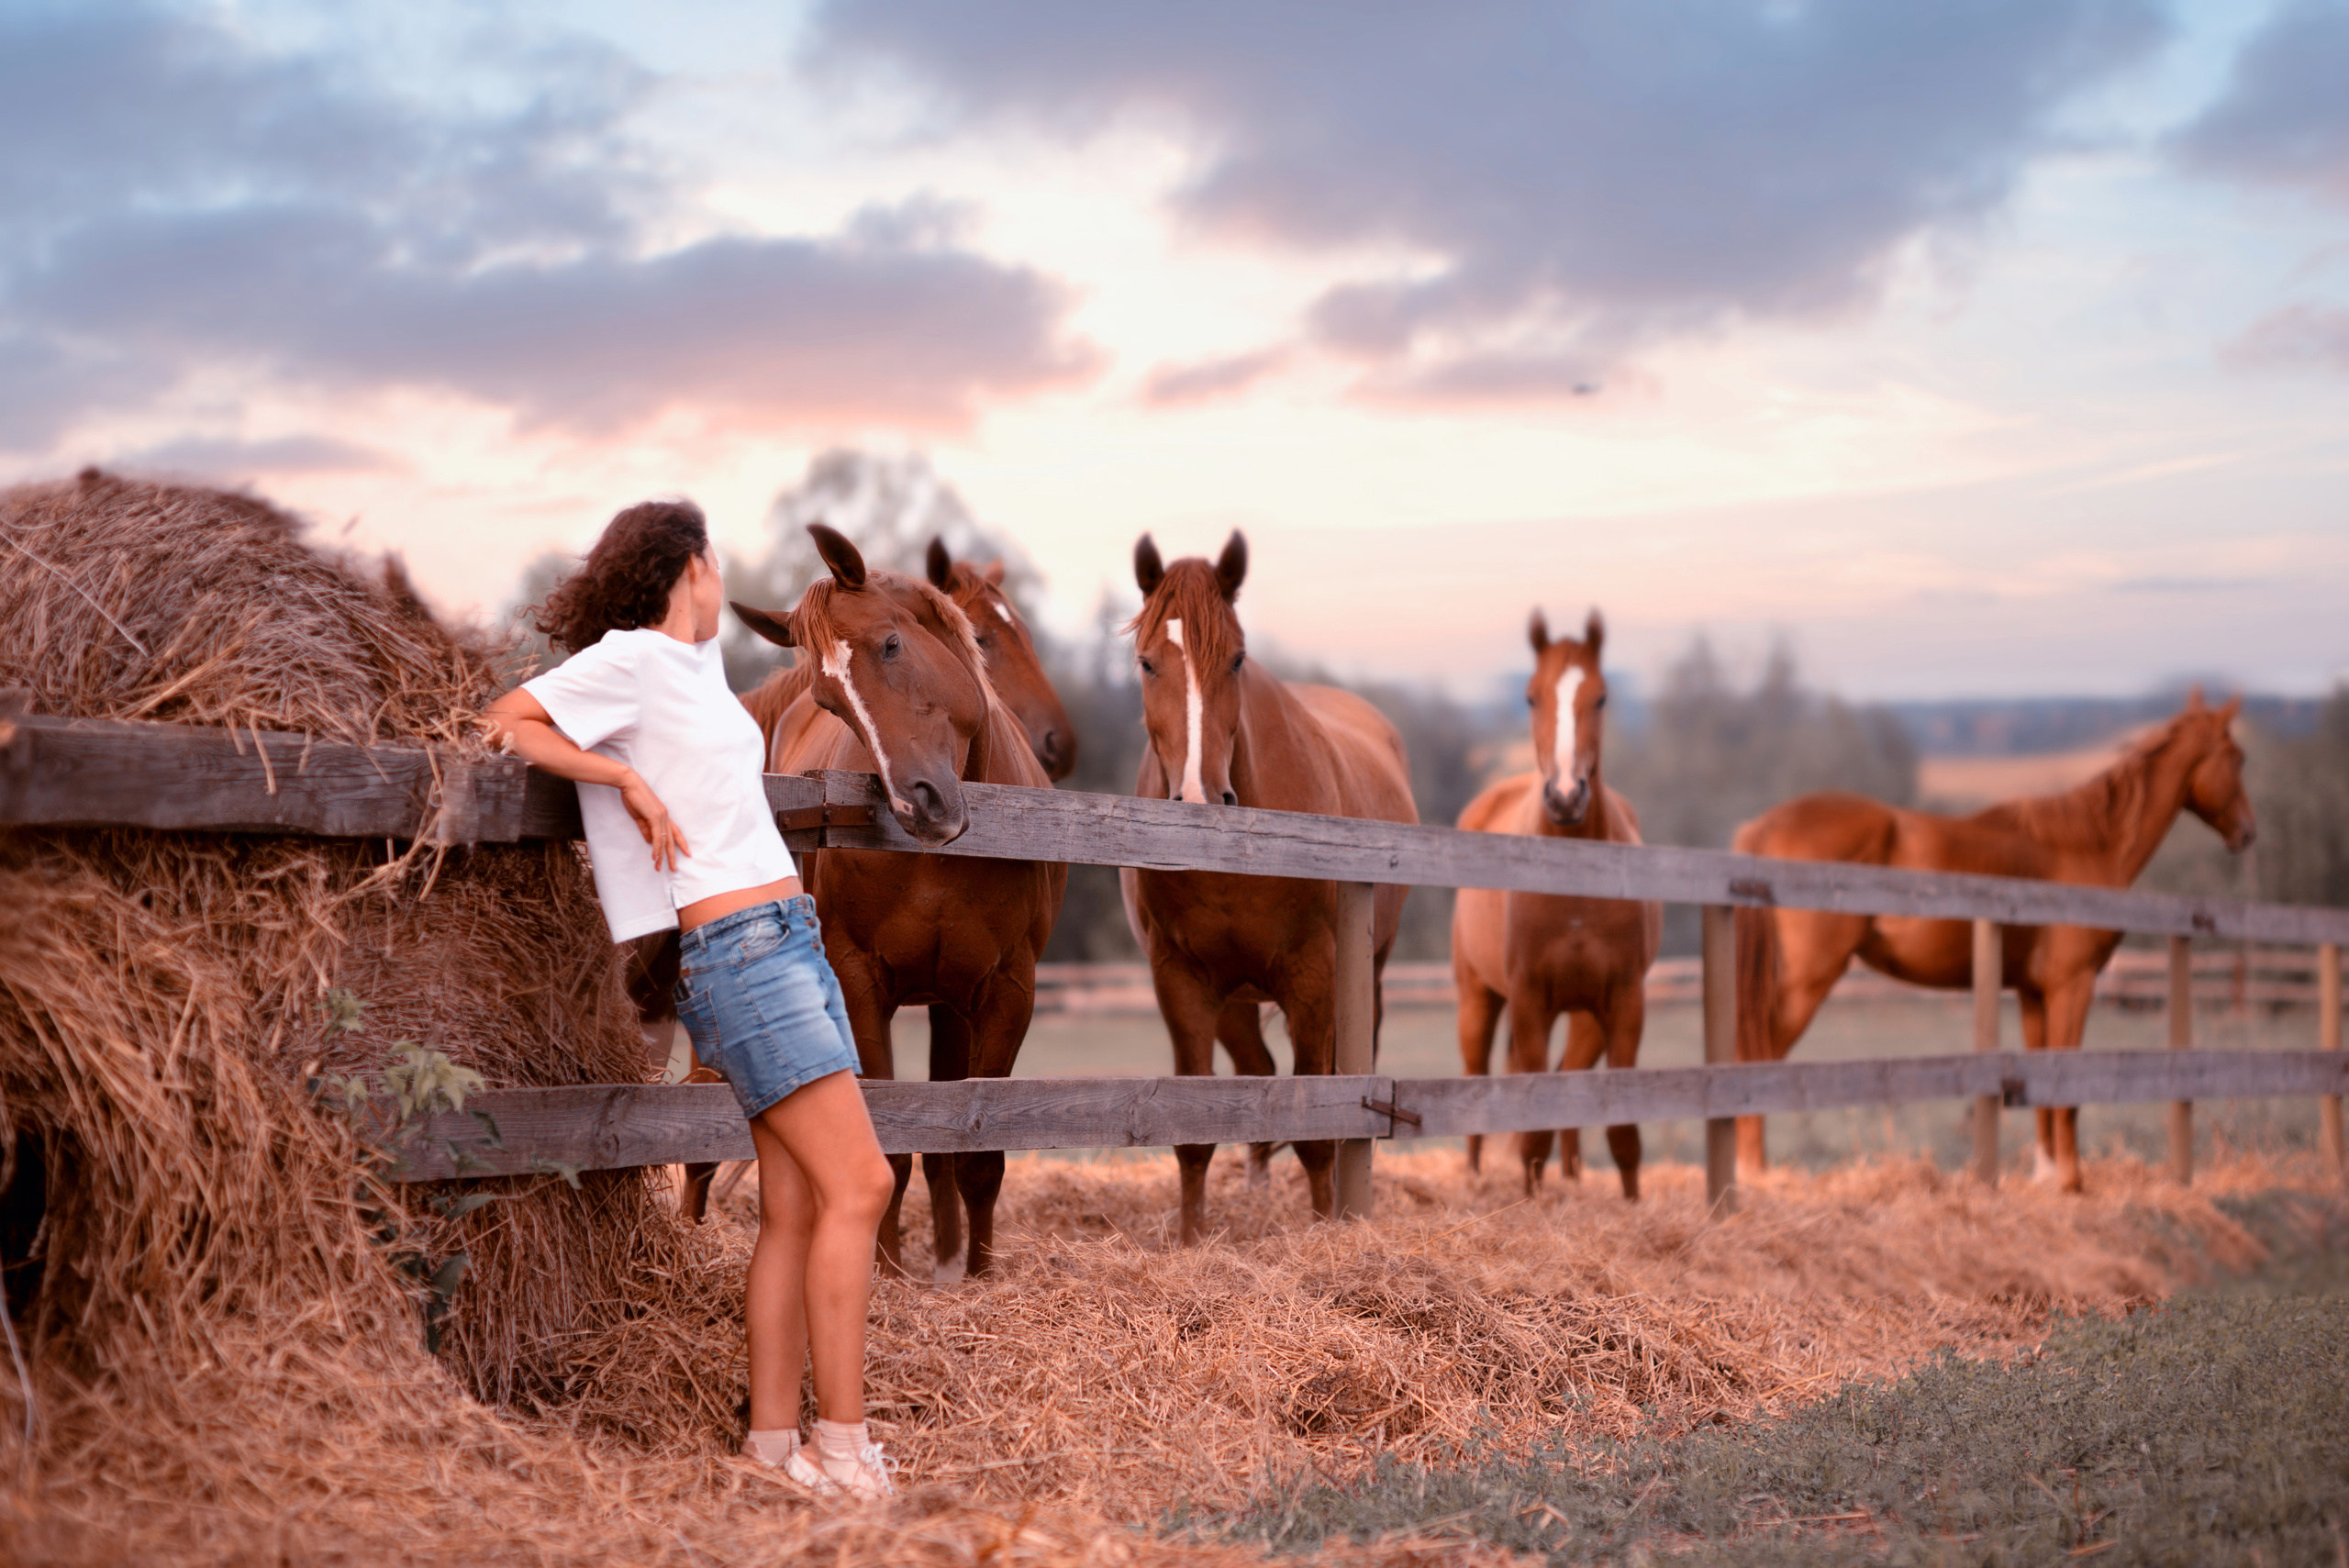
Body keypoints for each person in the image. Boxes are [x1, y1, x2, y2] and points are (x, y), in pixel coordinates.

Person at [484, 499, 897, 1500]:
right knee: (863, 1185)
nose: (723, 578)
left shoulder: (697, 669)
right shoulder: (630, 658)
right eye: (715, 562)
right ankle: (844, 1453)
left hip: (786, 938)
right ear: (694, 567)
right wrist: (618, 778)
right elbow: (505, 719)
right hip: (741, 951)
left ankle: (773, 1451)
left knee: (795, 1205)